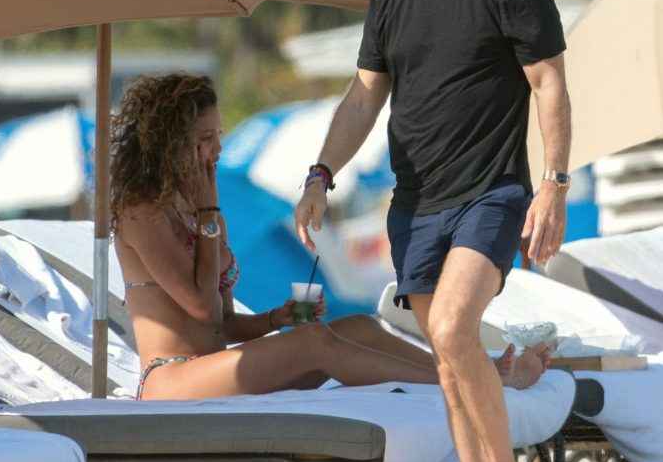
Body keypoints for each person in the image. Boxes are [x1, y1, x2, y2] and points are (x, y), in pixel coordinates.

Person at [295, 0, 571, 462]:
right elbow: (364, 97)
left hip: (491, 191)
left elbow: (547, 81)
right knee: (450, 363)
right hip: (413, 204)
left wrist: (553, 184)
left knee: (452, 327)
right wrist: (321, 173)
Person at [111, 73, 548, 404]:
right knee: (315, 343)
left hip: (212, 369)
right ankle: (474, 385)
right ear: (169, 143)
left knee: (357, 326)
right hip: (172, 380)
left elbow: (221, 325)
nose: (218, 151)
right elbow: (201, 308)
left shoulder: (201, 213)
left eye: (219, 137)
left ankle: (470, 371)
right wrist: (209, 214)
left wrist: (274, 318)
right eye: (205, 140)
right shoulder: (141, 212)